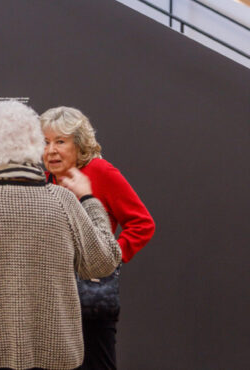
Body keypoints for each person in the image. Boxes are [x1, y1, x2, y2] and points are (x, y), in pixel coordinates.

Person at [0, 100, 122, 370]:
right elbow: (104, 262)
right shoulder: (64, 201)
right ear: (36, 145)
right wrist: (89, 200)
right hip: (55, 355)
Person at [40, 106, 155, 370]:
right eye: (46, 142)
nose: (51, 150)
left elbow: (142, 223)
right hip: (52, 303)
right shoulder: (44, 179)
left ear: (79, 145)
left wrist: (110, 258)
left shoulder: (101, 172)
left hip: (90, 302)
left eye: (60, 141)